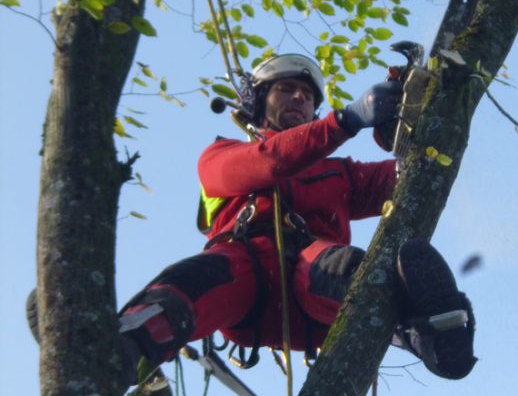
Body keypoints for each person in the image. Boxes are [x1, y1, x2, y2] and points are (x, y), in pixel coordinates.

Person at [29, 54, 476, 388]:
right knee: (196, 277)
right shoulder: (221, 155)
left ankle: (431, 332)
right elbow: (269, 161)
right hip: (242, 282)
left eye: (308, 95)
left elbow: (407, 176)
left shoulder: (337, 172)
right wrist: (347, 119)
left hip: (314, 288)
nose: (300, 97)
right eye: (287, 90)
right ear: (259, 100)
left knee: (350, 270)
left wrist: (419, 120)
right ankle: (117, 352)